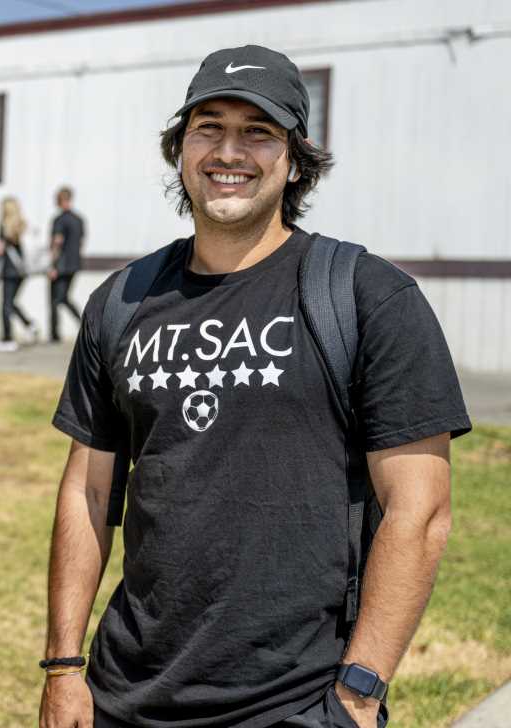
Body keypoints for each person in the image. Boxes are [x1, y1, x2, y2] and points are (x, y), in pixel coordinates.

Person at [39, 45, 472, 728]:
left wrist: (359, 690)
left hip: (293, 702)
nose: (228, 151)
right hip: (123, 695)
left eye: (258, 132)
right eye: (207, 127)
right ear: (179, 149)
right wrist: (64, 667)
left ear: (294, 158)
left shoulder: (366, 296)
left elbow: (417, 513)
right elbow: (88, 491)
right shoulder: (122, 300)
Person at [0, 196, 37, 352]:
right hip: (22, 271)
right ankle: (29, 324)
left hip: (9, 270)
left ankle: (7, 339)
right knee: (11, 302)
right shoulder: (22, 224)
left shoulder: (5, 226)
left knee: (5, 305)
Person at [48, 186, 84, 342]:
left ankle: (55, 334)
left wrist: (53, 265)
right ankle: (83, 323)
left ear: (61, 200)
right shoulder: (79, 219)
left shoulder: (59, 220)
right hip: (74, 264)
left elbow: (57, 242)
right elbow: (81, 241)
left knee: (55, 300)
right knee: (63, 298)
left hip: (61, 266)